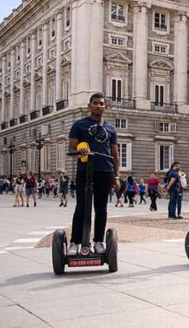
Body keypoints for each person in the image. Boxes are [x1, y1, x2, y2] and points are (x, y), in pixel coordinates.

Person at [67, 92, 121, 256]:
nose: (98, 106)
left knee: (101, 208)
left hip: (105, 171)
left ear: (105, 107)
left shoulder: (111, 128)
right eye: (95, 103)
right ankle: (75, 242)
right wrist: (79, 150)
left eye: (101, 104)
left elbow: (115, 154)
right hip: (85, 171)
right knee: (82, 207)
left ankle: (98, 241)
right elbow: (71, 149)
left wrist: (116, 176)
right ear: (89, 106)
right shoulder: (79, 125)